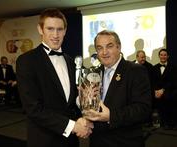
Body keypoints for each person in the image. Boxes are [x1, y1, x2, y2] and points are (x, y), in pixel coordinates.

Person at [16, 8, 93, 147]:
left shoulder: (70, 61)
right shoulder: (26, 60)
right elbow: (33, 108)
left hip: (70, 141)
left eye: (59, 29)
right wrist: (73, 126)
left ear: (65, 31)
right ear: (40, 29)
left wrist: (82, 115)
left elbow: (69, 102)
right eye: (50, 29)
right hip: (44, 140)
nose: (55, 35)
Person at [85, 30, 152, 147]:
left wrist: (111, 116)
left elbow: (143, 109)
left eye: (109, 46)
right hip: (97, 140)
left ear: (119, 47)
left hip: (124, 141)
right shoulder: (94, 73)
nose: (104, 52)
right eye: (100, 48)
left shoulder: (135, 70)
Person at [153, 48, 177, 130]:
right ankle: (161, 123)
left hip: (169, 92)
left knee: (168, 100)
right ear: (159, 56)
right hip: (157, 93)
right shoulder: (154, 67)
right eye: (161, 55)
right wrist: (156, 91)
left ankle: (170, 123)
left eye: (165, 55)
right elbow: (152, 81)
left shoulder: (173, 67)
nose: (163, 56)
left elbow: (173, 82)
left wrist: (163, 90)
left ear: (168, 56)